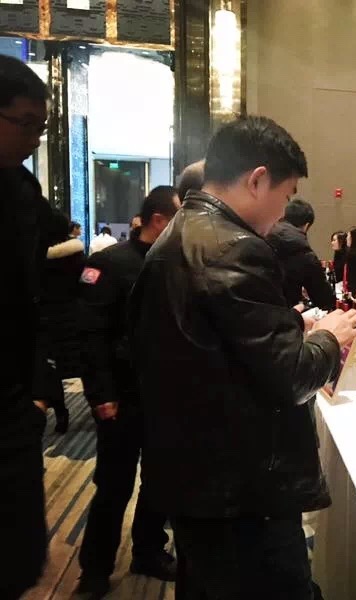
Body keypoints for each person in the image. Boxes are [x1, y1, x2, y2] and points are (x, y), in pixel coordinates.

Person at [128, 116, 356, 599]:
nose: (282, 214)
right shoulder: (234, 248)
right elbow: (293, 376)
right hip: (241, 489)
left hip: (197, 475)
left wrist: (289, 328)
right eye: (286, 194)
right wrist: (330, 336)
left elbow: (215, 342)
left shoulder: (184, 231)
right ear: (258, 180)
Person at [76, 186, 181, 597]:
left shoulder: (174, 264)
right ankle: (95, 570)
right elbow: (91, 336)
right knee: (114, 485)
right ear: (158, 219)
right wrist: (100, 395)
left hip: (164, 395)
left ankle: (148, 550)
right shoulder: (109, 263)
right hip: (120, 396)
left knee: (159, 481)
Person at [0, 54, 52, 600]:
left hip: (13, 395)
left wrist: (37, 391)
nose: (36, 139)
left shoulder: (21, 188)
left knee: (18, 557)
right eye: (27, 124)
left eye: (42, 127)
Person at [39, 210, 87, 433]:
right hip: (77, 316)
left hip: (48, 320)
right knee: (84, 364)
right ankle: (97, 407)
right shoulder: (78, 255)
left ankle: (61, 414)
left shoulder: (39, 259)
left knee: (51, 371)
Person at [266, 197, 336, 310]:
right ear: (306, 226)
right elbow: (324, 298)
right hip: (285, 313)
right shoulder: (303, 251)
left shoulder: (262, 236)